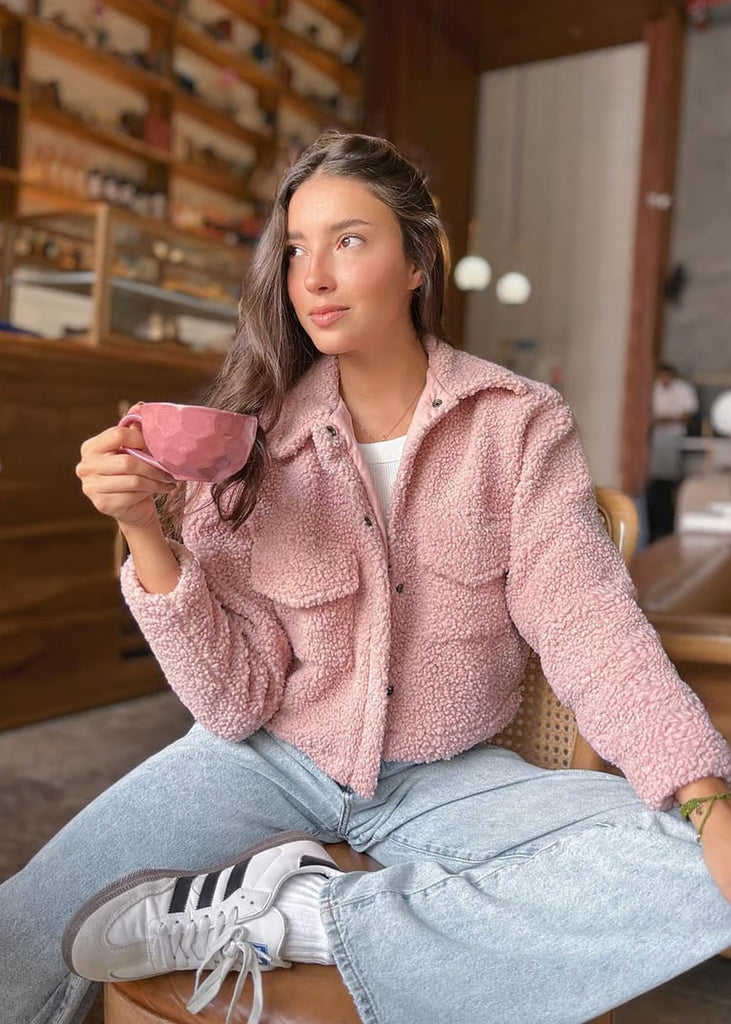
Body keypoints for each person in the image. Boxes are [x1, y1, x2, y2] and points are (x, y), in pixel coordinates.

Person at [2, 131, 731, 1024]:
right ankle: (375, 925)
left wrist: (701, 796)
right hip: (266, 758)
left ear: (419, 259)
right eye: (298, 249)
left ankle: (311, 915)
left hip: (448, 772)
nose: (313, 277)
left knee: (694, 863)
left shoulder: (516, 425)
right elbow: (233, 705)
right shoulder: (249, 441)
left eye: (348, 240)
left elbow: (588, 624)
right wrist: (141, 534)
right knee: (25, 931)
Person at [646, 362, 699, 541]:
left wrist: (665, 419)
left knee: (668, 485)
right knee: (654, 487)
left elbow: (685, 416)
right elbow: (648, 417)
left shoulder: (683, 390)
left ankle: (666, 527)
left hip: (674, 439)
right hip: (654, 439)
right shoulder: (652, 389)